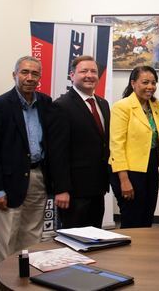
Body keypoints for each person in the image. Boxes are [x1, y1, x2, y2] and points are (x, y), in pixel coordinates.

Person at [0, 56, 53, 287]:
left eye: (35, 74)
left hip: (38, 178)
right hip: (8, 185)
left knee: (32, 240)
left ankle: (25, 285)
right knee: (6, 243)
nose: (30, 78)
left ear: (40, 77)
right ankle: (1, 287)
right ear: (14, 75)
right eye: (24, 72)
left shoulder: (45, 102)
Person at [49, 55, 110, 228]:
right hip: (74, 191)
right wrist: (61, 189)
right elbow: (57, 152)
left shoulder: (103, 104)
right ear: (72, 75)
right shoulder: (61, 106)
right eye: (83, 71)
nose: (89, 75)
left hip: (97, 187)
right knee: (74, 242)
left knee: (96, 237)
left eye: (94, 71)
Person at [110, 66, 159, 228]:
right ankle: (129, 253)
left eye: (153, 82)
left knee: (147, 217)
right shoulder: (122, 106)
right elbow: (116, 144)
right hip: (128, 171)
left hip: (150, 168)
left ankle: (144, 253)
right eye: (145, 82)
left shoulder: (157, 106)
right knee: (132, 219)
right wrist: (124, 180)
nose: (150, 86)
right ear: (133, 83)